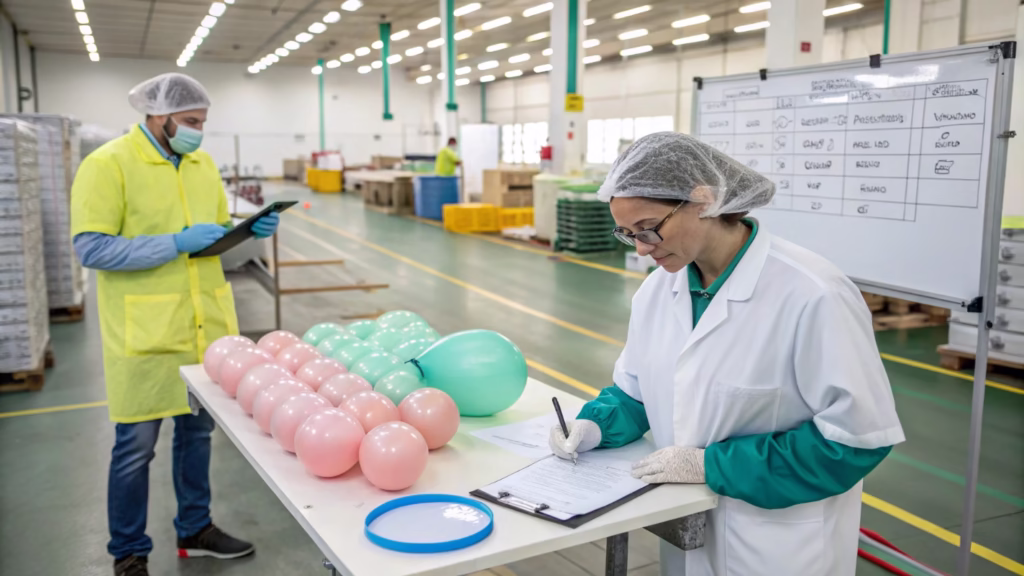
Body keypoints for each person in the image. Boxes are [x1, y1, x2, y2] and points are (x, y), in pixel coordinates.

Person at [549, 132, 904, 576]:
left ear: (703, 201)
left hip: (777, 545)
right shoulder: (658, 291)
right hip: (686, 529)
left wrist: (712, 465)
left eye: (649, 228)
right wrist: (594, 426)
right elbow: (637, 393)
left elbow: (854, 442)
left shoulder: (813, 294)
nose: (641, 248)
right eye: (627, 233)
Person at [71, 73, 280, 576]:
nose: (197, 132)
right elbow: (92, 247)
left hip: (204, 330)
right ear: (158, 117)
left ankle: (195, 529)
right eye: (189, 122)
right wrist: (174, 242)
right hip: (145, 335)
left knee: (197, 434)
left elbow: (206, 237)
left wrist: (244, 233)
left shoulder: (201, 164)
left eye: (203, 123)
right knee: (134, 449)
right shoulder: (108, 164)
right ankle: (129, 554)